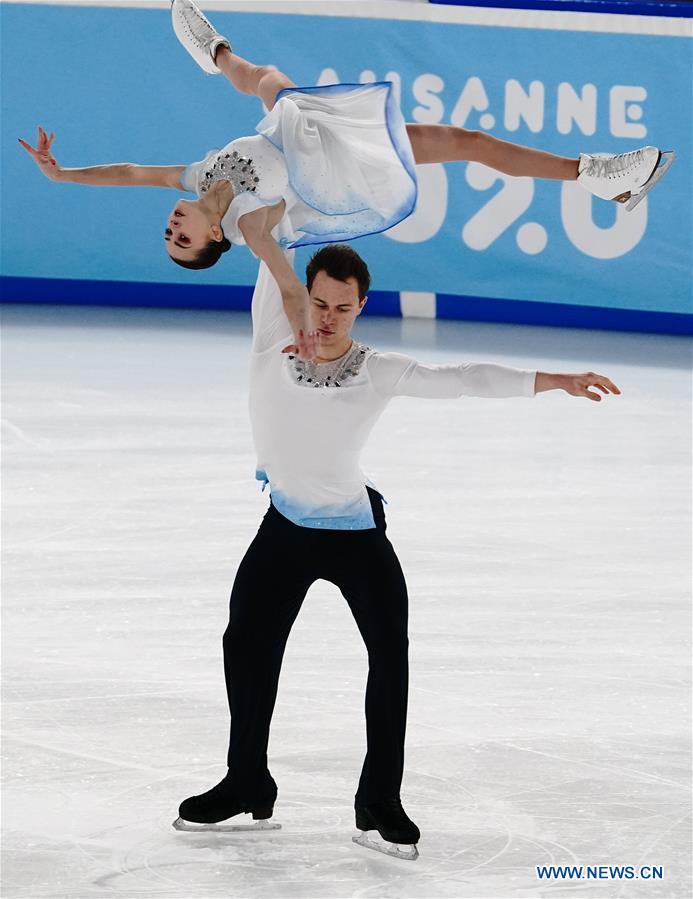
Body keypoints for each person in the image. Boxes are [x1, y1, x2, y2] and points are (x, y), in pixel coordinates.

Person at [171, 242, 621, 861]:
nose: (327, 317)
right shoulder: (270, 337)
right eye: (319, 301)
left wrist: (554, 380)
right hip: (284, 531)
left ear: (361, 308)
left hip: (357, 537)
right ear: (302, 294)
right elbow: (267, 231)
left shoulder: (374, 368)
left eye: (342, 307)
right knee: (244, 645)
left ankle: (379, 801)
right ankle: (246, 779)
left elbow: (461, 380)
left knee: (390, 659)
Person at [18, 0, 674, 346]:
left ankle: (213, 49)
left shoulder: (195, 180)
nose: (172, 228)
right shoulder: (249, 221)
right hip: (340, 162)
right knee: (465, 141)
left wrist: (63, 174)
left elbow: (129, 172)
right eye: (182, 241)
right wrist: (306, 330)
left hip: (302, 124)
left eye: (167, 233)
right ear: (215, 239)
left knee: (266, 83)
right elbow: (283, 280)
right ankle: (596, 174)